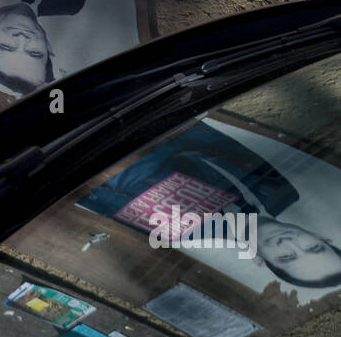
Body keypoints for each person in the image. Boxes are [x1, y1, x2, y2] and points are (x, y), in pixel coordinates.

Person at [80, 121, 341, 289]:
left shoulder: (184, 233)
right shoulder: (279, 191)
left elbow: (89, 193)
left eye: (286, 257)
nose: (289, 243)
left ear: (261, 261)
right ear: (320, 236)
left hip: (91, 142)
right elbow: (206, 135)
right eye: (313, 247)